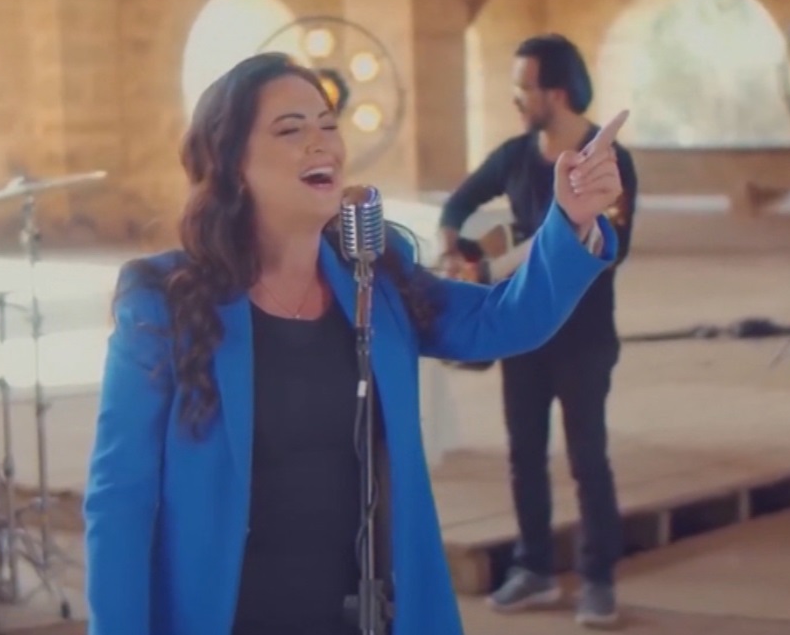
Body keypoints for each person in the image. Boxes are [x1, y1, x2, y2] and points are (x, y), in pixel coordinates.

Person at [83, 52, 624, 635]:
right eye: (291, 129)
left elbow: (501, 321)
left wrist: (570, 222)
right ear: (231, 161)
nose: (322, 143)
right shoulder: (164, 300)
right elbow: (120, 499)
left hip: (364, 616)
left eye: (328, 124)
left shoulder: (376, 275)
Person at [437, 34, 637, 627]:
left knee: (587, 458)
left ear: (556, 92)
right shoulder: (515, 155)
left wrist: (498, 266)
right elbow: (457, 206)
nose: (516, 98)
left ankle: (598, 579)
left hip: (584, 337)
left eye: (524, 87)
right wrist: (457, 253)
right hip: (523, 329)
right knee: (524, 455)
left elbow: (603, 242)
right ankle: (535, 568)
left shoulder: (607, 162)